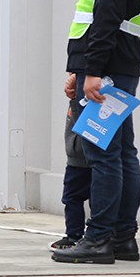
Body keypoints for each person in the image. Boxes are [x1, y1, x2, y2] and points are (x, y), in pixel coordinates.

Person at [53, 0, 140, 264]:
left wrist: (91, 71)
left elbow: (105, 17)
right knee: (121, 151)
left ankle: (98, 239)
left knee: (102, 152)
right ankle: (123, 238)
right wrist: (78, 69)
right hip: (115, 66)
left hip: (106, 70)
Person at [50, 97, 91, 251]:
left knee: (73, 197)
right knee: (75, 198)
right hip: (78, 157)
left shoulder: (84, 95)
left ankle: (75, 236)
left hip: (81, 157)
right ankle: (79, 235)